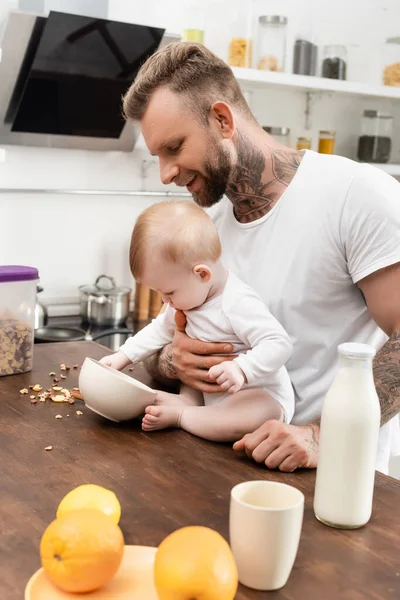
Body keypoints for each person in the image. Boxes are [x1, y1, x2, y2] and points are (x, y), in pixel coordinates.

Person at [122, 41, 400, 474]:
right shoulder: (204, 229)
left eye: (174, 147)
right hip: (225, 470)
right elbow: (170, 340)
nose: (166, 173)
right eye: (158, 156)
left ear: (222, 119)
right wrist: (174, 361)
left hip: (335, 478)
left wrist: (322, 437)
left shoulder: (356, 195)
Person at [100, 200, 295, 442]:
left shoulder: (237, 303)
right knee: (191, 373)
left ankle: (182, 415)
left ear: (202, 274)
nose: (165, 300)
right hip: (209, 393)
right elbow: (160, 330)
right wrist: (122, 356)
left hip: (255, 394)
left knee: (254, 415)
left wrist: (242, 369)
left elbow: (279, 344)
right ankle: (189, 403)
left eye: (169, 292)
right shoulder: (188, 296)